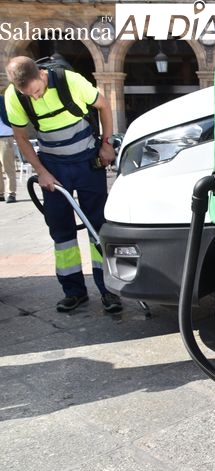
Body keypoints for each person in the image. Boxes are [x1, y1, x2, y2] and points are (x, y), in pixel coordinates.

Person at [3, 56, 122, 314]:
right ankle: (74, 291)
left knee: (97, 226)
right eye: (28, 94)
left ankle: (109, 291)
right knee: (61, 230)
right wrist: (42, 172)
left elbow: (103, 106)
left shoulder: (70, 81)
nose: (34, 98)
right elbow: (21, 138)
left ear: (41, 75)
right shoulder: (15, 95)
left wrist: (106, 143)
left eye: (36, 91)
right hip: (53, 165)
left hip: (87, 161)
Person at [0, 95, 17, 203]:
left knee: (8, 167)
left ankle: (11, 193)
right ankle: (0, 193)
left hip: (5, 137)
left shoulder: (3, 100)